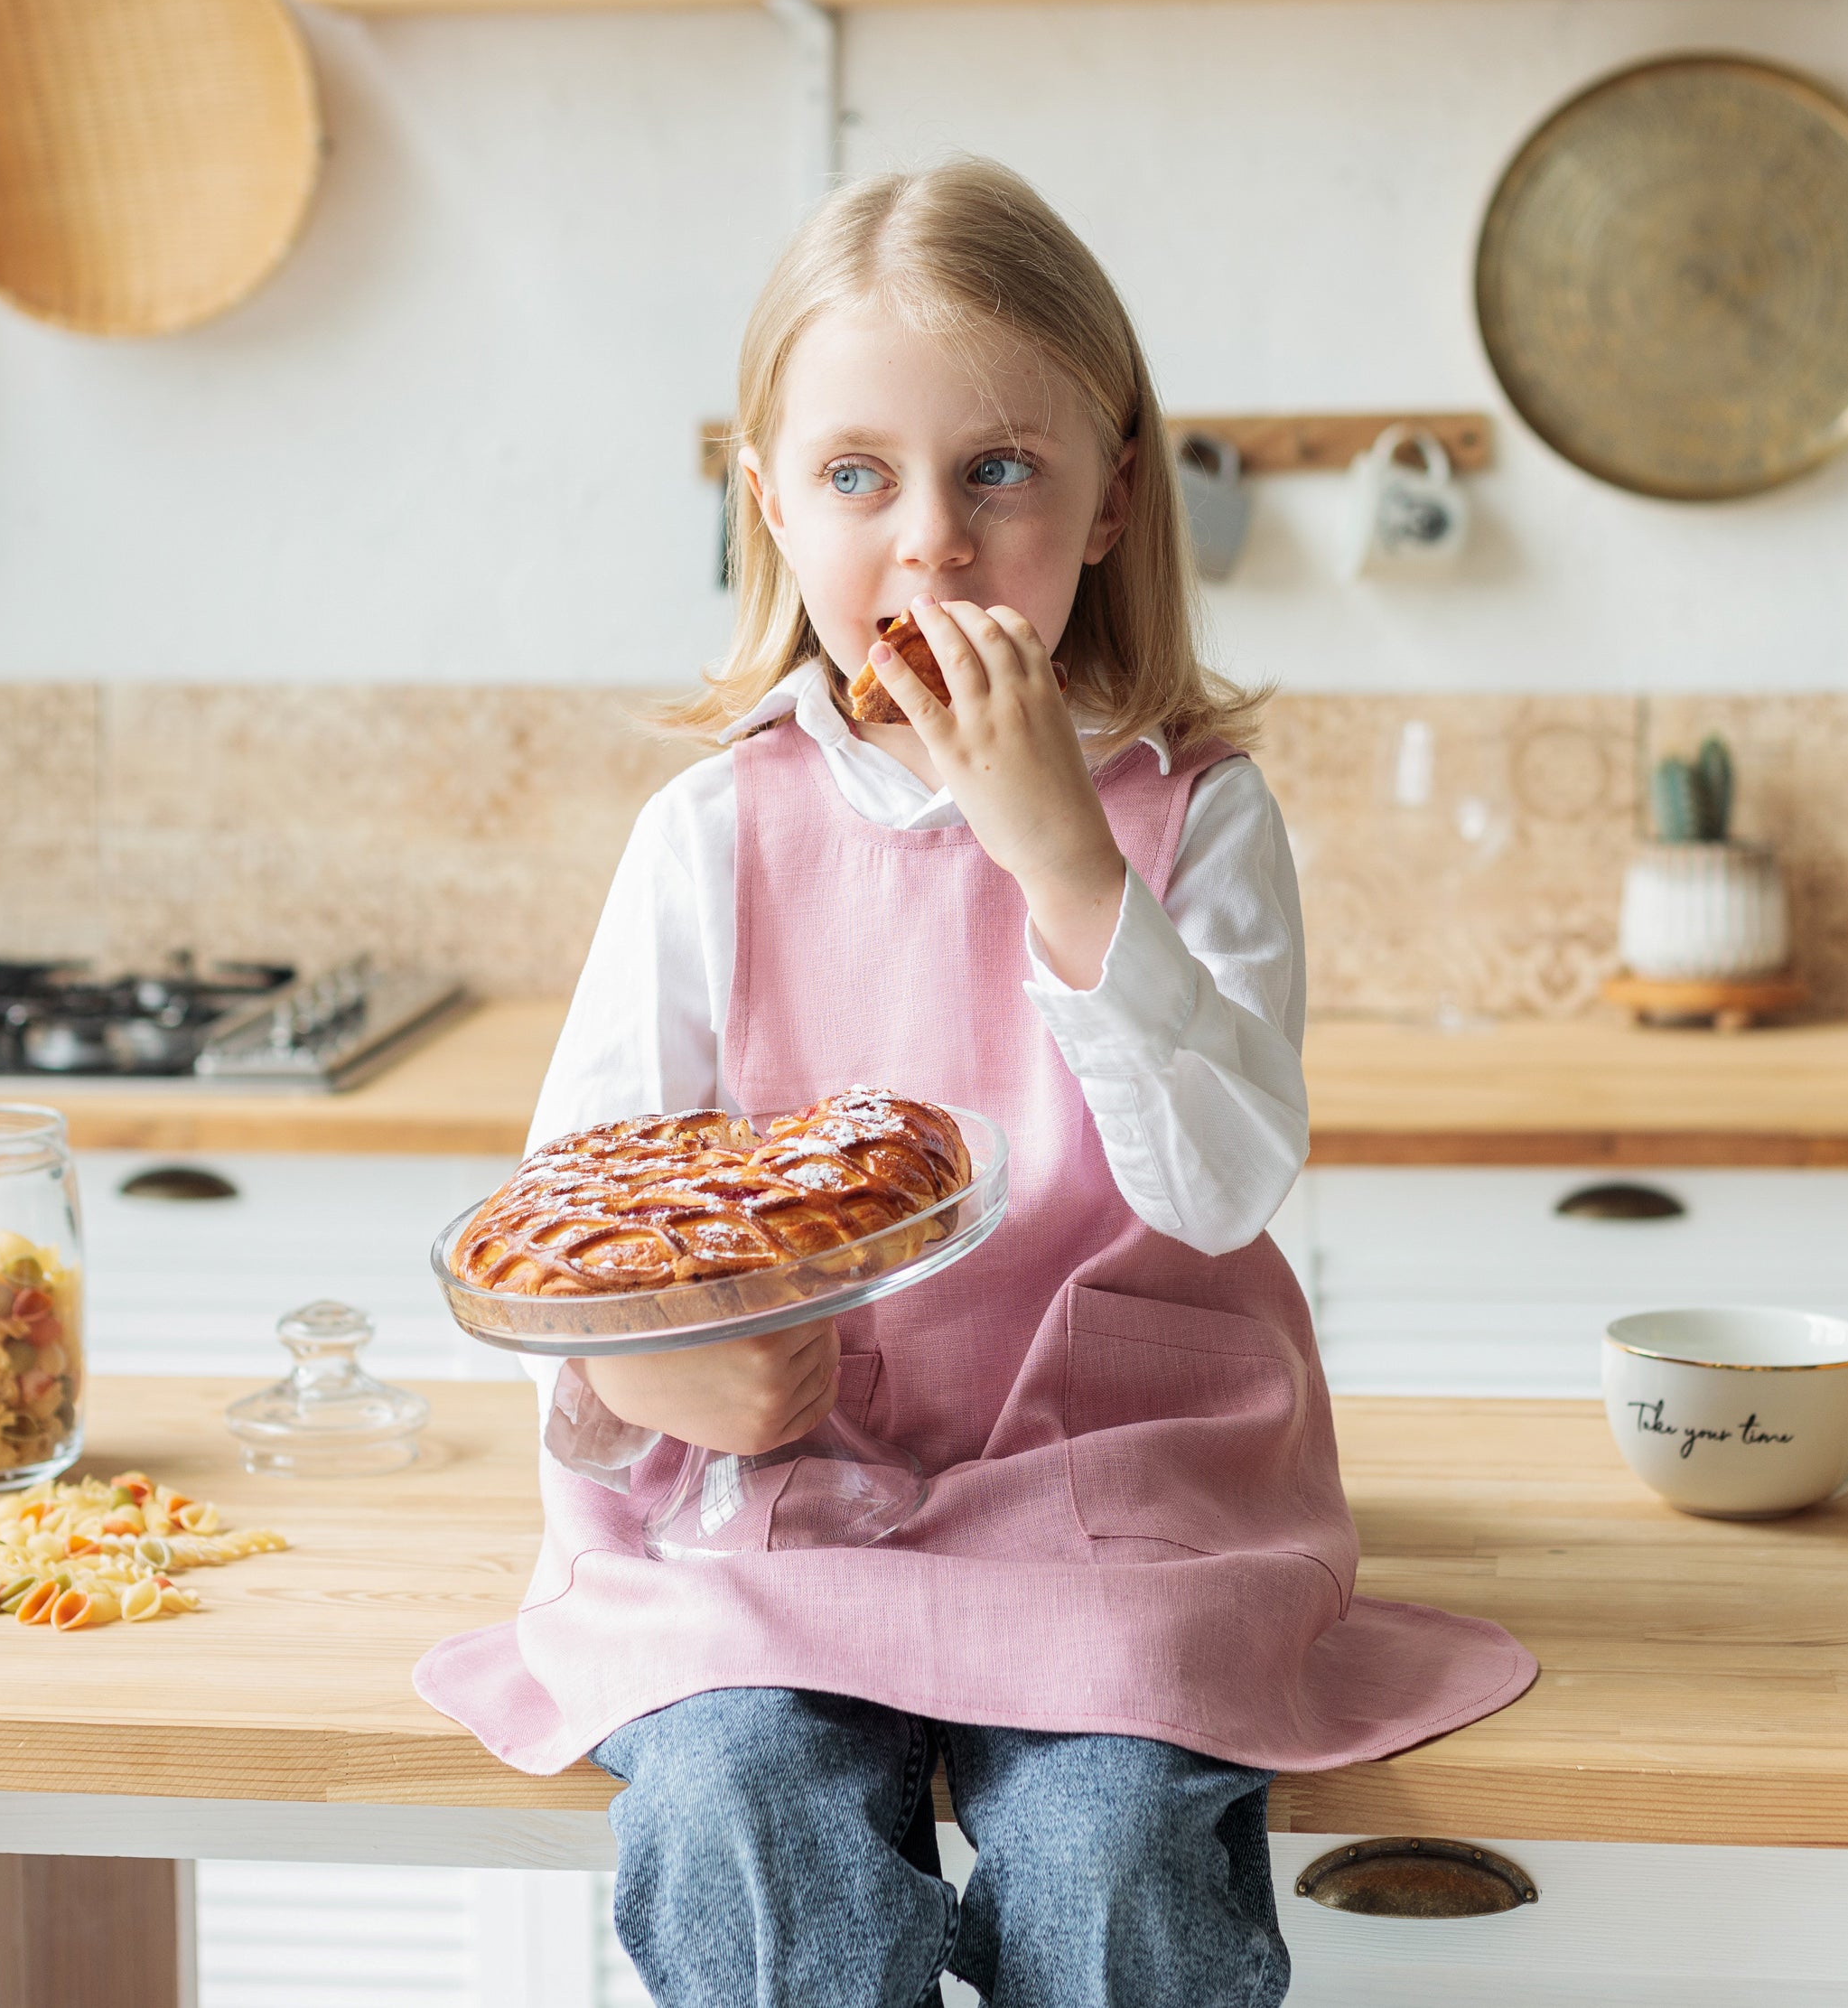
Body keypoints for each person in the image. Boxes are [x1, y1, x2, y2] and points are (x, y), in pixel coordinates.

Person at [417, 157, 1534, 2008]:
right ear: (768, 504)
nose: (926, 539)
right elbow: (575, 1233)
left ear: (1106, 495)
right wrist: (635, 1364)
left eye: (995, 469)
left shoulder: (1192, 816)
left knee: (1106, 1849)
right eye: (858, 475)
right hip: (773, 1507)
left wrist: (1062, 858)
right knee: (735, 1801)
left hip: (1120, 1508)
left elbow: (1215, 1184)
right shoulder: (710, 835)